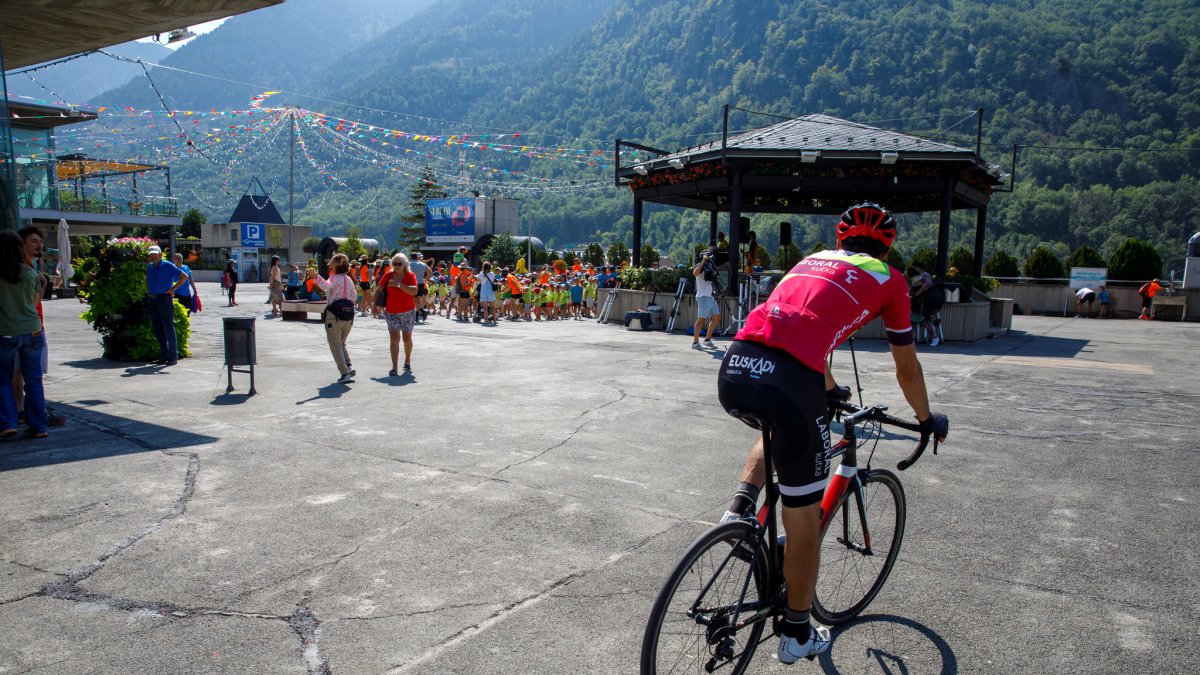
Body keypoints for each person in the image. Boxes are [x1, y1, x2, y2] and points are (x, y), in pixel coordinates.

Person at [717, 202, 948, 663]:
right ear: (887, 246)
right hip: (789, 378)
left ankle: (738, 512)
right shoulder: (890, 279)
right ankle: (797, 635)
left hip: (738, 364)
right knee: (803, 522)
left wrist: (827, 387)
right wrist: (926, 420)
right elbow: (907, 368)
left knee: (774, 427)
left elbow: (796, 329)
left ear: (841, 241)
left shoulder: (810, 261)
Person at [0, 230, 49, 440]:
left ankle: (7, 423)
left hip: (7, 332)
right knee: (34, 380)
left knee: (3, 379)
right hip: (33, 330)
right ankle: (38, 425)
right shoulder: (30, 274)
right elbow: (35, 303)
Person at [314, 253, 357, 384]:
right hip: (348, 316)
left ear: (336, 265)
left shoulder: (334, 278)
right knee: (342, 343)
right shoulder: (348, 279)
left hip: (334, 316)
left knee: (335, 345)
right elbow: (354, 297)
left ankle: (345, 373)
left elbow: (326, 286)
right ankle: (349, 366)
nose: (330, 266)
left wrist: (316, 277)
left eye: (331, 263)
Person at [145, 246, 189, 366]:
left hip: (164, 300)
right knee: (157, 329)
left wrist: (173, 288)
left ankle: (173, 356)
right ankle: (163, 355)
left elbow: (184, 276)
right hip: (153, 299)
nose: (153, 256)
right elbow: (148, 280)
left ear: (160, 254)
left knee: (168, 328)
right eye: (151, 254)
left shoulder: (167, 265)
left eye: (155, 254)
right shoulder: (149, 266)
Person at [379, 253, 419, 375]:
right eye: (394, 263)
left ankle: (407, 360)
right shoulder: (388, 275)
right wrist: (375, 305)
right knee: (394, 338)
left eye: (399, 264)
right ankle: (394, 367)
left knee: (407, 338)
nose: (397, 266)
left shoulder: (410, 275)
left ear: (405, 264)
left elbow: (414, 291)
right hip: (391, 311)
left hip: (407, 311)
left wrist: (399, 285)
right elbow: (379, 289)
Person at [907, 262, 943, 346]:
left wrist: (918, 292)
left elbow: (928, 284)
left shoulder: (923, 275)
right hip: (919, 302)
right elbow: (911, 290)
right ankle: (909, 340)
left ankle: (934, 337)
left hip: (926, 301)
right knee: (913, 321)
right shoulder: (915, 278)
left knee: (923, 320)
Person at [692, 250, 721, 350]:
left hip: (710, 296)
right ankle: (695, 343)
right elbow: (695, 273)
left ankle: (707, 340)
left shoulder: (710, 267)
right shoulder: (699, 266)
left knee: (716, 316)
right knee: (701, 319)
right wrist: (703, 261)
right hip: (703, 297)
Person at [409, 252, 431, 321]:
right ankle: (416, 317)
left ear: (411, 257)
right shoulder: (423, 264)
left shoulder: (409, 264)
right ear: (417, 257)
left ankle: (422, 312)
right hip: (421, 283)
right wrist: (425, 280)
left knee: (413, 300)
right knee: (417, 300)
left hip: (413, 283)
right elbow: (430, 272)